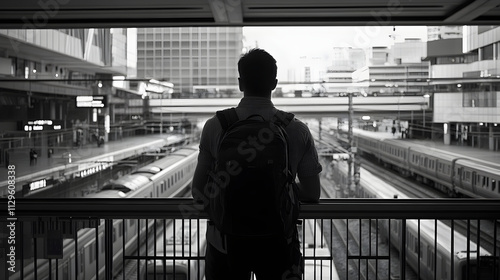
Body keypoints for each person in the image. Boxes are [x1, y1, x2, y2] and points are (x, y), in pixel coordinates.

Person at [192, 48, 322, 280]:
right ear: (274, 83)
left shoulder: (215, 126)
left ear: (241, 83)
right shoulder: (296, 129)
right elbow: (312, 193)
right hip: (278, 245)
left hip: (224, 245)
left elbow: (198, 191)